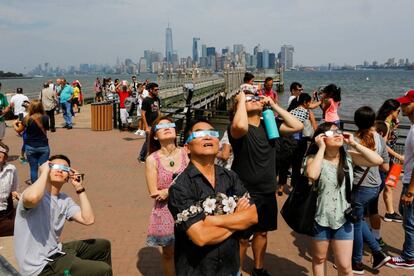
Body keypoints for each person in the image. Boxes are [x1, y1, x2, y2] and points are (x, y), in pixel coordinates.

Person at [168, 119, 258, 275]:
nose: (208, 137)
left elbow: (253, 216)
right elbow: (201, 236)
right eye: (200, 133)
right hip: (197, 270)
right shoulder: (180, 186)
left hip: (231, 267)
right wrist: (237, 217)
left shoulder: (231, 177)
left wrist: (211, 220)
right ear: (187, 148)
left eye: (212, 133)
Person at [229, 90, 303, 275]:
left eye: (256, 98)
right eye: (249, 99)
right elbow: (239, 125)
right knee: (242, 236)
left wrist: (274, 105)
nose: (254, 100)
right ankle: (236, 271)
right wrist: (240, 101)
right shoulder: (238, 127)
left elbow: (297, 125)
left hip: (267, 188)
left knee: (262, 232)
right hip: (244, 190)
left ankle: (258, 269)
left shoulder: (269, 125)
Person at [306, 122, 383, 276]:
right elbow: (313, 175)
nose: (337, 135)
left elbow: (377, 160)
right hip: (320, 218)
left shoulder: (348, 157)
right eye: (331, 133)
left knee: (345, 267)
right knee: (319, 259)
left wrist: (353, 143)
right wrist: (321, 148)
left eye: (338, 132)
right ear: (321, 138)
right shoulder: (313, 158)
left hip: (344, 219)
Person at [14, 154, 112, 275]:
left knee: (102, 245)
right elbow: (32, 198)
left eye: (65, 168)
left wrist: (79, 188)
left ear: (68, 176)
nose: (60, 170)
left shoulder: (64, 200)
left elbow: (88, 219)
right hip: (40, 266)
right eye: (54, 166)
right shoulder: (34, 194)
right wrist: (44, 172)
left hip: (56, 251)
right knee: (103, 270)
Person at [146, 116, 189, 276]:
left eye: (170, 124)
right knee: (168, 254)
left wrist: (169, 191)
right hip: (166, 211)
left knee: (190, 251)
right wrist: (168, 191)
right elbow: (154, 192)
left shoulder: (187, 153)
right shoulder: (152, 159)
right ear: (155, 135)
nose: (167, 127)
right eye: (161, 126)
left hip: (190, 208)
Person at [351, 106, 391, 273]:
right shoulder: (379, 138)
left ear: (356, 121)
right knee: (359, 221)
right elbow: (386, 166)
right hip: (375, 186)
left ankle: (358, 262)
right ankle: (377, 253)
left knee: (356, 224)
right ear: (373, 121)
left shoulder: (352, 139)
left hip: (359, 187)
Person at [386, 89, 414, 269]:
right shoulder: (412, 126)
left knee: (409, 222)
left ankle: (409, 258)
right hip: (409, 179)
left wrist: (411, 190)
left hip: (411, 182)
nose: (401, 106)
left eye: (406, 103)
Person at [376, 99, 404, 222]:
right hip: (387, 159)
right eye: (398, 111)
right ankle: (372, 211)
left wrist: (394, 127)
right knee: (383, 186)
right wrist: (399, 156)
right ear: (392, 111)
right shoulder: (385, 125)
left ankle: (390, 212)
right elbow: (384, 145)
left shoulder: (386, 123)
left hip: (390, 159)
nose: (399, 113)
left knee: (389, 186)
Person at [13, 100, 50, 184]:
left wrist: (14, 124)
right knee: (44, 168)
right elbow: (47, 129)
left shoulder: (27, 118)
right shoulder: (45, 117)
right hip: (43, 145)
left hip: (30, 146)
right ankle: (44, 184)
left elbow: (19, 130)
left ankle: (35, 186)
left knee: (33, 168)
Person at [138, 83, 161, 163]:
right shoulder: (146, 100)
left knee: (158, 140)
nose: (157, 91)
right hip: (149, 124)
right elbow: (143, 114)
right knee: (148, 141)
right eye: (155, 90)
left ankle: (156, 157)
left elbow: (158, 110)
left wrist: (160, 121)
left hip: (157, 124)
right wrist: (146, 126)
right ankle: (141, 156)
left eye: (158, 89)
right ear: (150, 90)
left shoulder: (157, 99)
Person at [0, 142, 19, 237]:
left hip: (5, 212)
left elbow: (13, 190)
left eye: (1, 151)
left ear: (6, 157)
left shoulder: (11, 169)